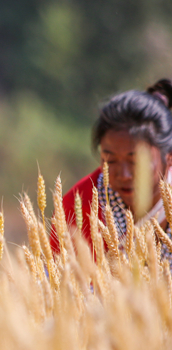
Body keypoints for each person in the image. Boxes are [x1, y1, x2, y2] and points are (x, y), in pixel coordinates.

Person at [58, 79, 172, 259]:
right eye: (110, 161)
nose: (124, 175)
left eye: (135, 162)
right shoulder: (79, 205)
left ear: (169, 157)